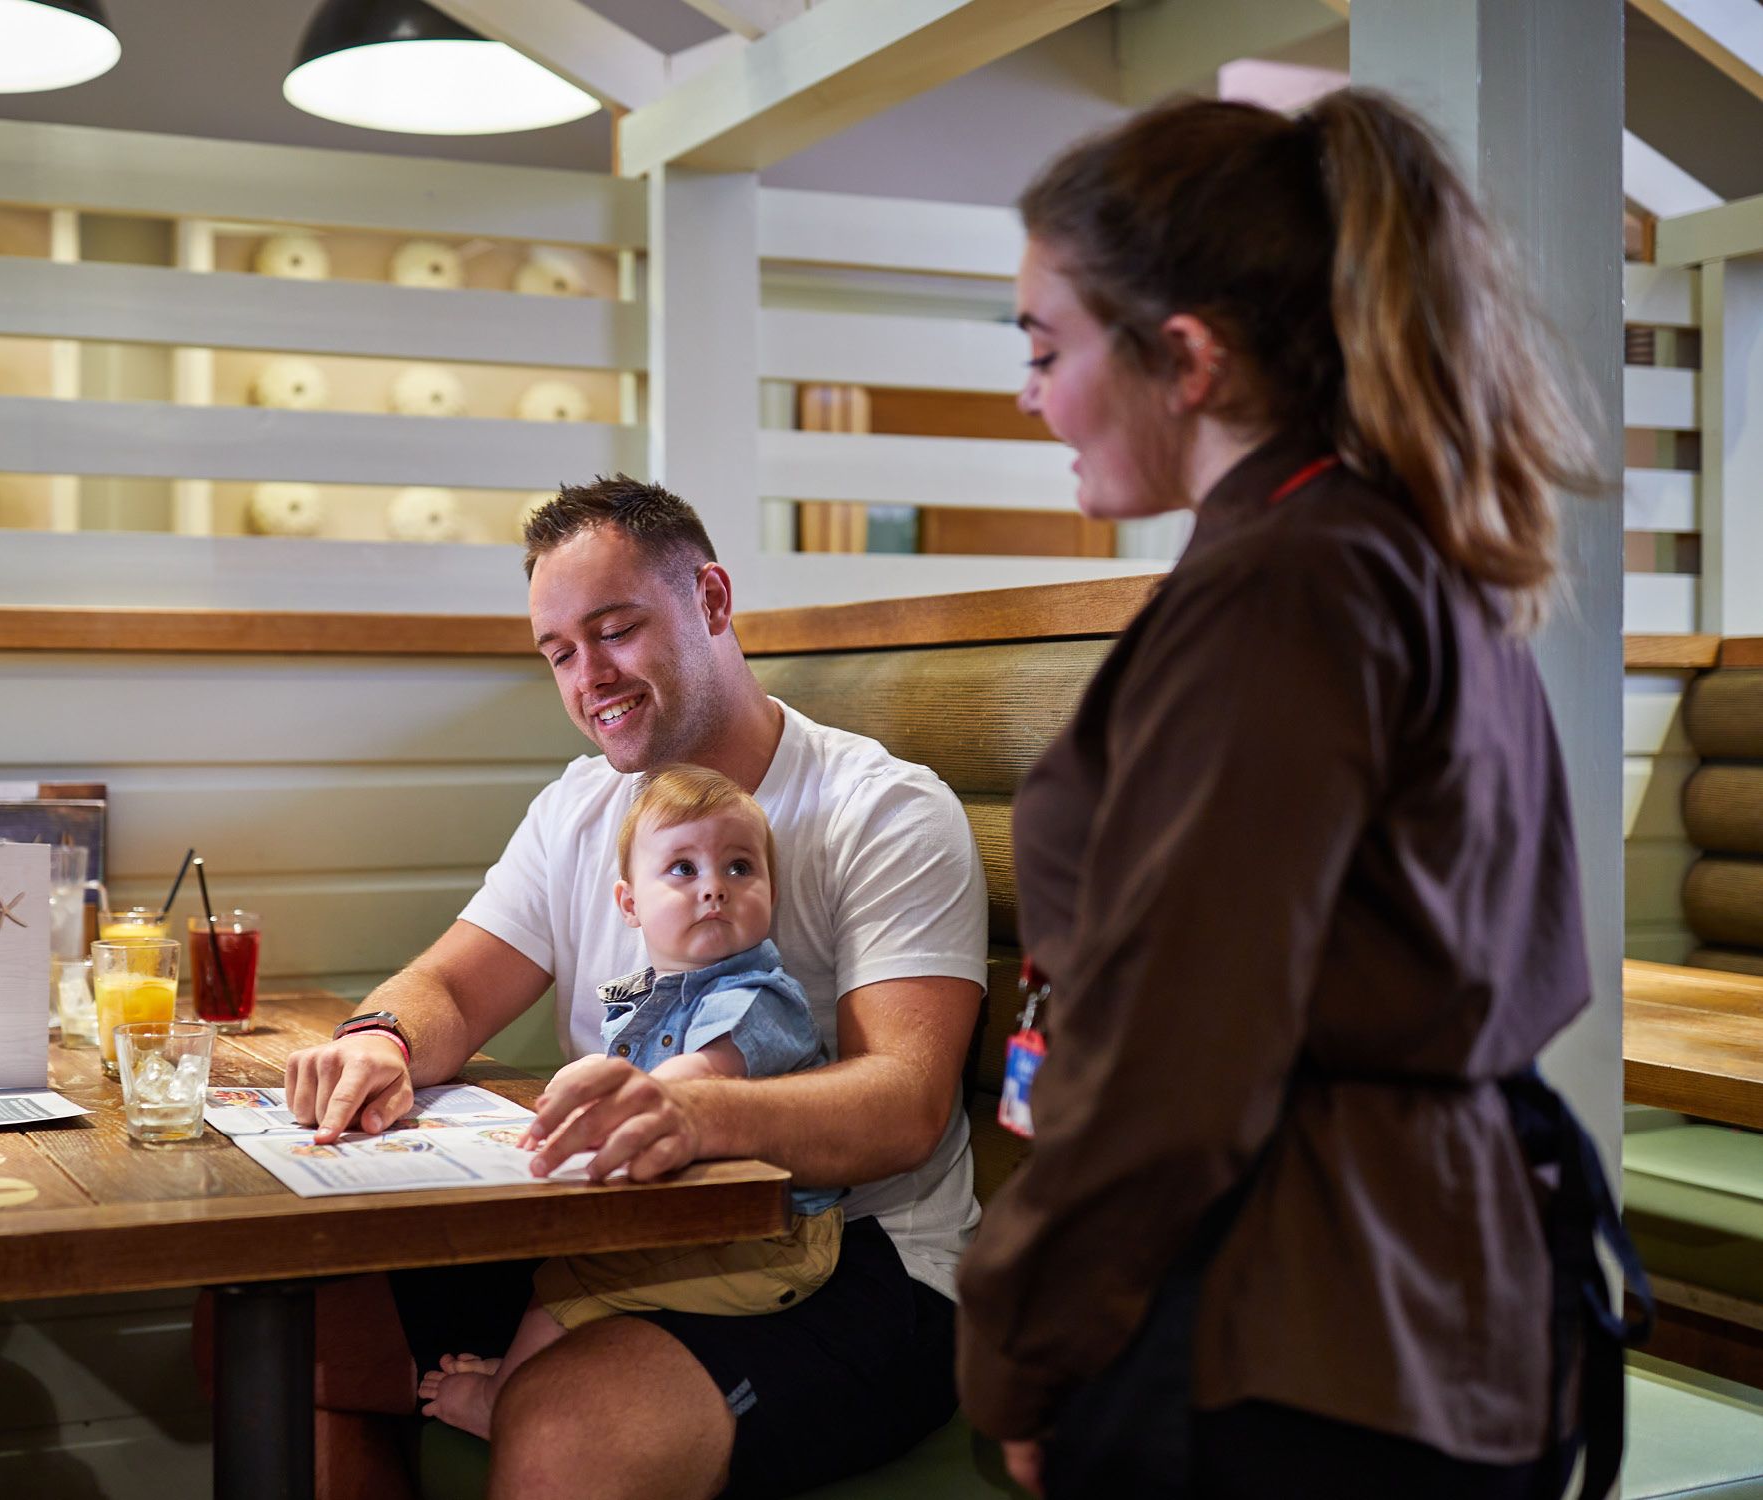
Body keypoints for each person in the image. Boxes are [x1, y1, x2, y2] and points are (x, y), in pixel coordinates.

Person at [953, 91, 1640, 1500]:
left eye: (1045, 346)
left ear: (1187, 357)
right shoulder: (1383, 548)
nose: (1030, 394)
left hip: (1299, 1321)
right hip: (1420, 1296)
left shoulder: (1286, 581)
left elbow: (1180, 1046)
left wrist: (1020, 1334)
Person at [276, 477, 989, 1498]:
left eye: (613, 631)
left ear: (710, 601)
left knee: (569, 1433)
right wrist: (381, 1037)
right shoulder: (579, 805)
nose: (588, 678)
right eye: (559, 653)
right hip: (618, 1232)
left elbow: (907, 1104)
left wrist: (695, 1111)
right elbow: (450, 984)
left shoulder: (881, 812)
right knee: (280, 1326)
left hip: (856, 1260)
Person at [417, 765, 846, 1439]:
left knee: (572, 1281)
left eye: (739, 868)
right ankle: (525, 1380)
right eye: (682, 868)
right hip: (701, 1218)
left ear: (771, 888)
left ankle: (504, 1403)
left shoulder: (758, 997)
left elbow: (697, 1079)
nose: (713, 887)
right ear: (629, 904)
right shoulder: (644, 993)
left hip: (779, 1239)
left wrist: (601, 1094)